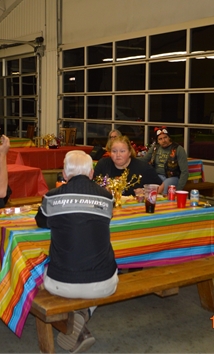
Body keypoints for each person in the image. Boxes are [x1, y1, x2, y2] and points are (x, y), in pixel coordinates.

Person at [35, 150, 117, 353]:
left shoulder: (52, 197)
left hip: (60, 284)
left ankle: (73, 317)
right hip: (104, 284)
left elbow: (41, 221)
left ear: (64, 173)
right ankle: (83, 312)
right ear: (91, 173)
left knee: (34, 268)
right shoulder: (107, 197)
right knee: (103, 264)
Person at [93, 135, 160, 196]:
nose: (118, 155)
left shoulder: (144, 168)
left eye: (122, 151)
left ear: (129, 152)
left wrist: (145, 191)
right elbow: (91, 185)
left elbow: (160, 187)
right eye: (114, 151)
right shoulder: (103, 164)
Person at [141, 127, 189, 194]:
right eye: (160, 139)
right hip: (157, 176)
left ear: (169, 137)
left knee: (163, 188)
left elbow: (185, 172)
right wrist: (131, 158)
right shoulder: (155, 147)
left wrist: (178, 190)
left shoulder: (178, 149)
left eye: (165, 137)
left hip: (172, 177)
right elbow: (144, 160)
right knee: (144, 184)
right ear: (157, 141)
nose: (163, 140)